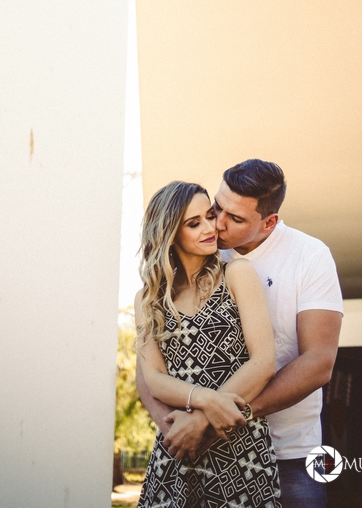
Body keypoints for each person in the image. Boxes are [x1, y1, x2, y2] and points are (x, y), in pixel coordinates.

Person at [137, 160, 343, 508]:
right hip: (190, 446)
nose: (216, 224)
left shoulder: (307, 256)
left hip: (288, 449)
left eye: (234, 218)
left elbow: (318, 362)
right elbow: (151, 372)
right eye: (216, 208)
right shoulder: (204, 253)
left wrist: (207, 420)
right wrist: (177, 431)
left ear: (268, 222)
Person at [135, 180, 282, 508]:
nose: (210, 227)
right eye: (194, 223)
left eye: (210, 215)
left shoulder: (237, 274)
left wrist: (203, 419)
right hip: (178, 448)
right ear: (170, 233)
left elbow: (263, 362)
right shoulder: (148, 300)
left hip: (239, 451)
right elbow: (154, 377)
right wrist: (203, 399)